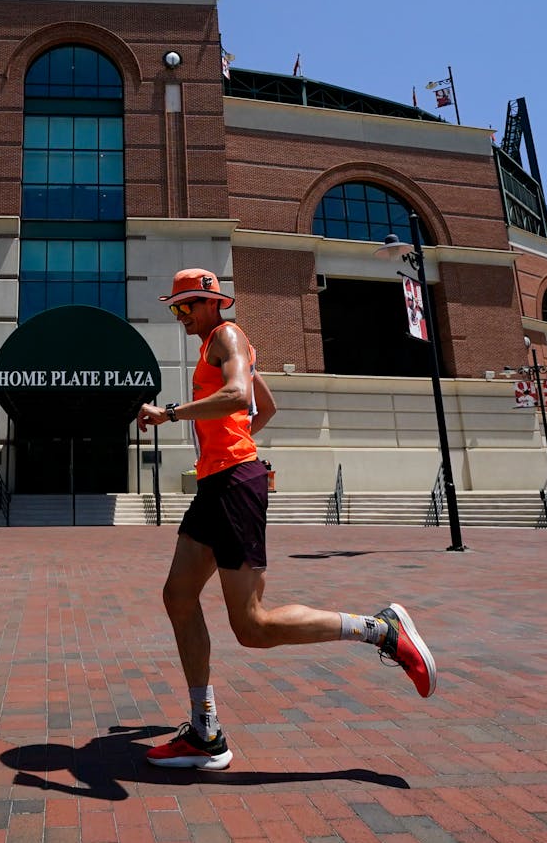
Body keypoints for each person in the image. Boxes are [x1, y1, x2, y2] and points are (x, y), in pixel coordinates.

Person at [136, 268, 437, 771]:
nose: (179, 316)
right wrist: (232, 438)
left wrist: (171, 414)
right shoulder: (220, 342)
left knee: (252, 626)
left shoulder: (226, 336)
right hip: (218, 481)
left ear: (210, 303)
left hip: (234, 484)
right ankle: (205, 731)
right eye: (176, 308)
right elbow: (264, 406)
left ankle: (380, 629)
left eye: (183, 307)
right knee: (178, 596)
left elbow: (236, 395)